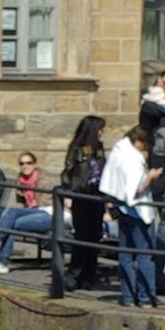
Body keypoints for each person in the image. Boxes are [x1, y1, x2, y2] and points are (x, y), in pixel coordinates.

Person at [99, 120, 159, 305]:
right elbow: (136, 189)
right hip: (137, 212)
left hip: (122, 209)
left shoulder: (118, 151)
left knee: (125, 254)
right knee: (144, 255)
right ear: (140, 141)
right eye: (146, 145)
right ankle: (145, 297)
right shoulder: (132, 159)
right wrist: (151, 178)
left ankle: (127, 297)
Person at [54, 113, 111, 293]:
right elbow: (68, 171)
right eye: (100, 129)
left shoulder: (99, 149)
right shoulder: (77, 149)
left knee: (94, 235)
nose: (102, 132)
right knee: (82, 235)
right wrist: (69, 192)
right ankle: (73, 274)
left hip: (97, 195)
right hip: (81, 195)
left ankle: (89, 276)